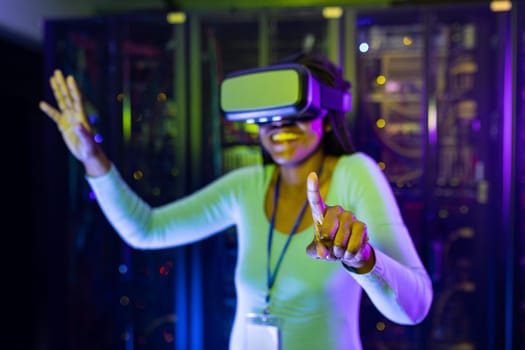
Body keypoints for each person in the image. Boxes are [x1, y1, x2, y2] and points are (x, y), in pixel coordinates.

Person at [39, 52, 433, 350]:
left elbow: (415, 307)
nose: (278, 129)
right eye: (268, 118)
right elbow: (146, 230)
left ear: (326, 116)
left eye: (293, 115)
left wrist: (362, 259)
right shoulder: (247, 185)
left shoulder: (354, 173)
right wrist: (92, 155)